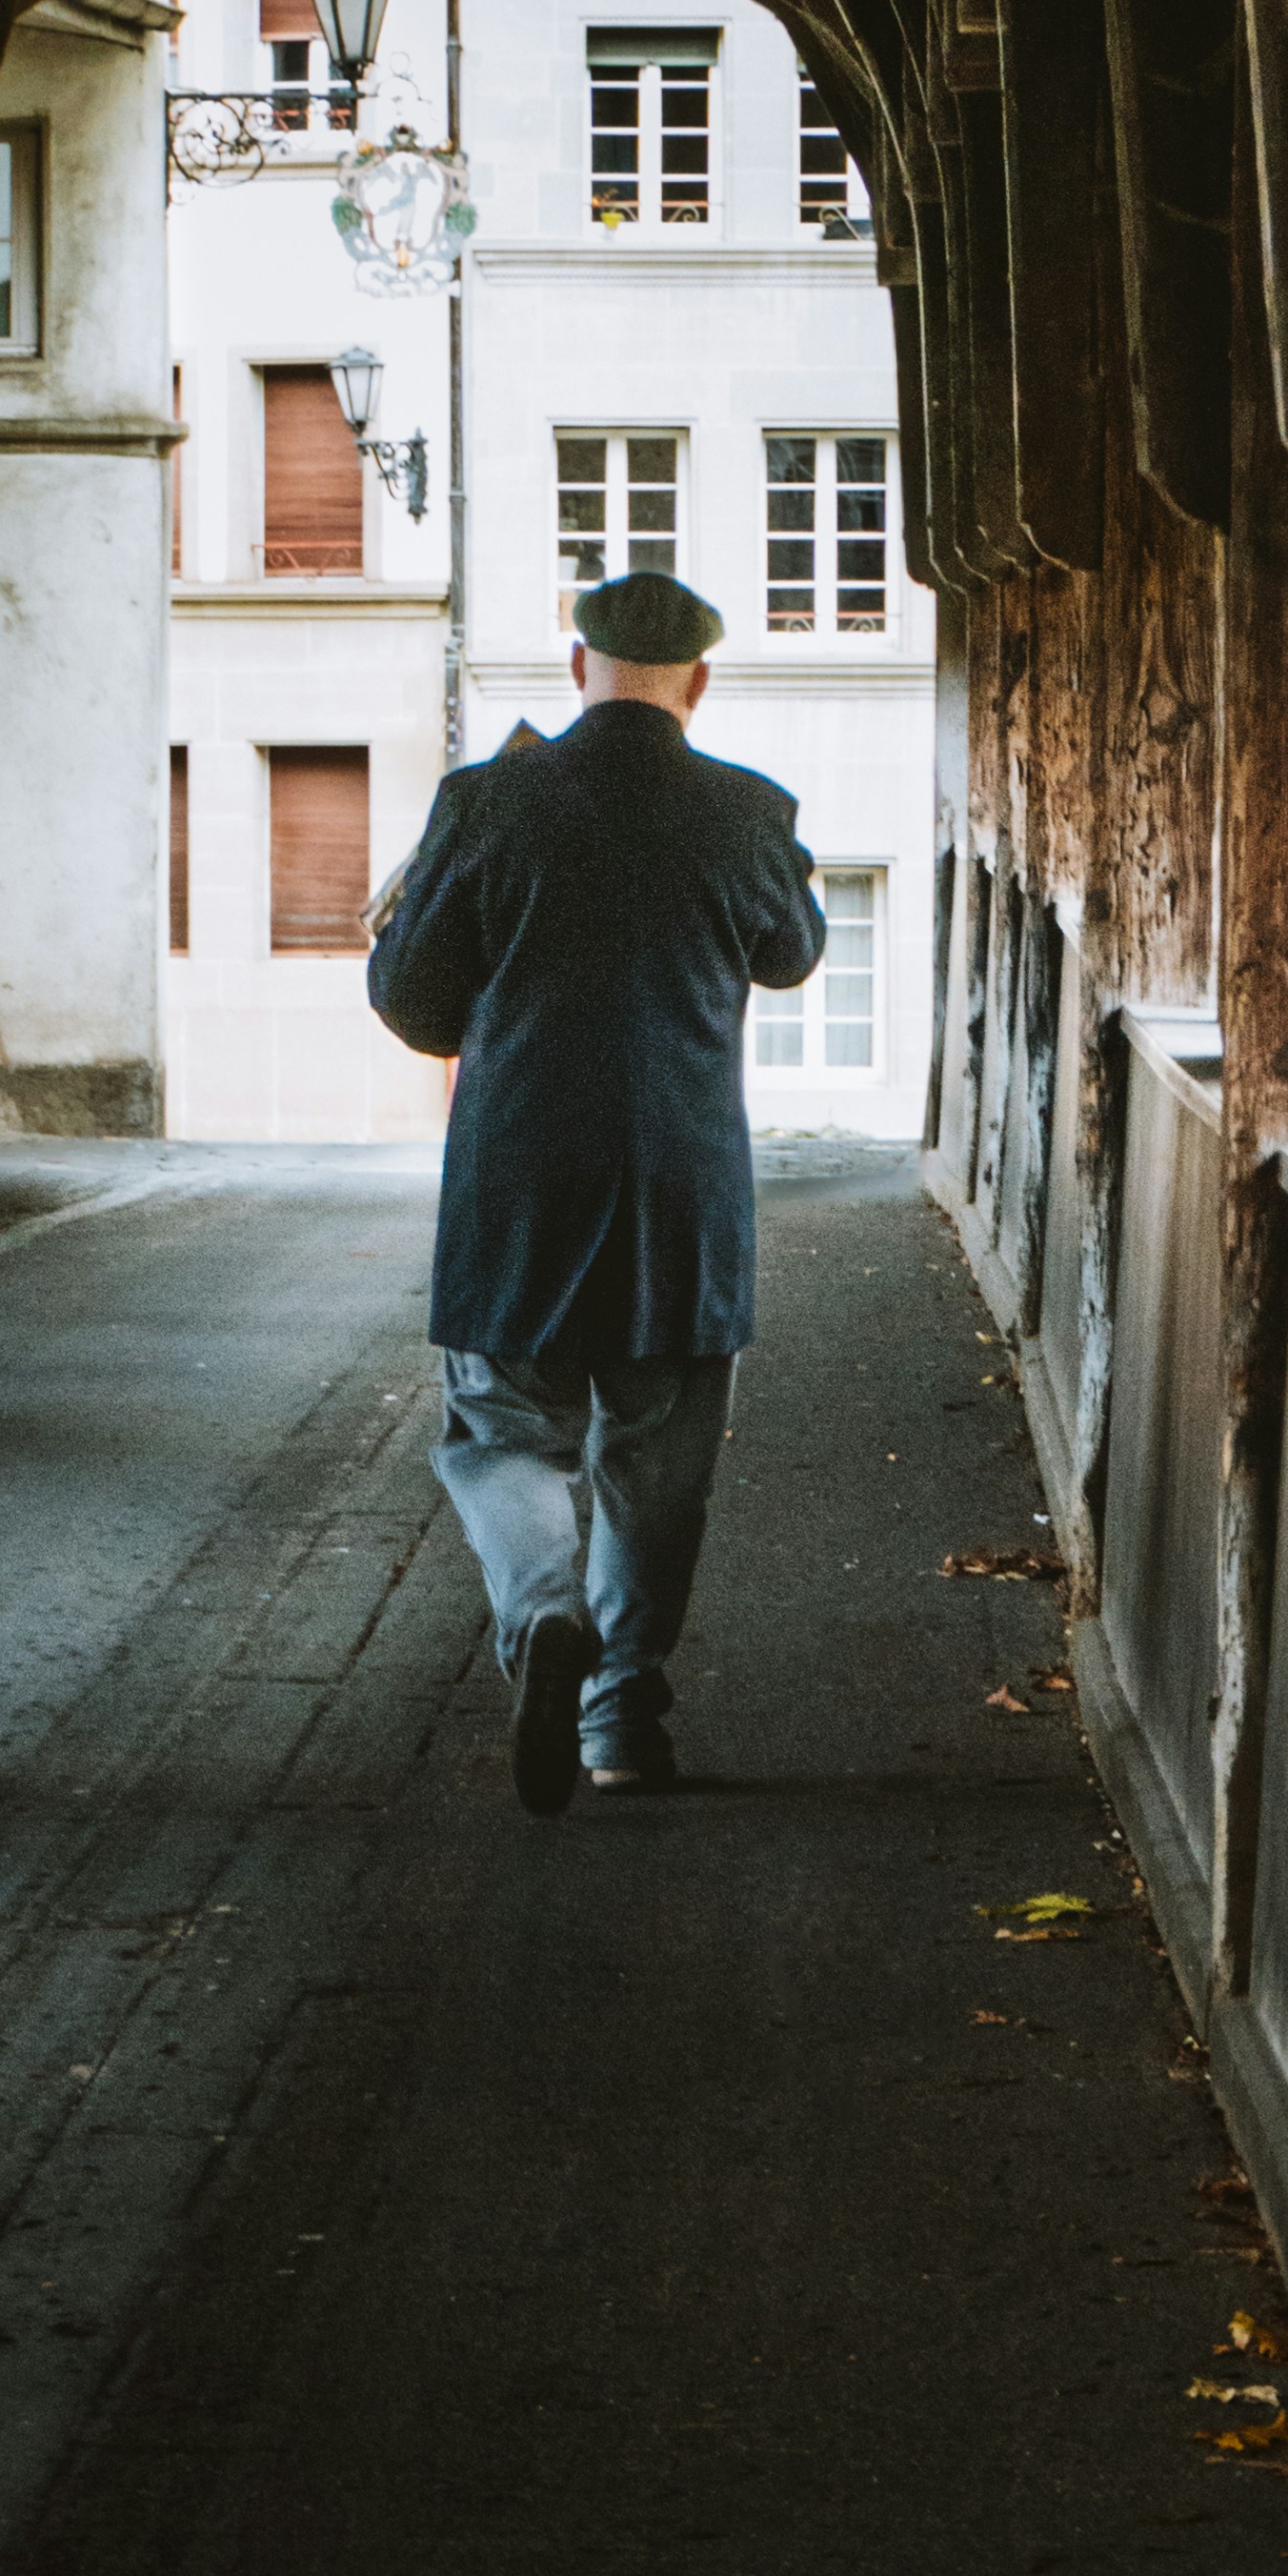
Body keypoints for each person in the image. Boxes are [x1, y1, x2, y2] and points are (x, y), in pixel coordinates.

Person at [364, 569, 825, 1813]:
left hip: (518, 1185)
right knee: (658, 1465)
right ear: (699, 683)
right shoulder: (746, 811)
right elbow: (792, 952)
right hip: (681, 1193)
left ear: (579, 670)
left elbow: (414, 1005)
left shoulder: (486, 804)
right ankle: (621, 1722)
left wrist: (406, 925)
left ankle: (543, 1608)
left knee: (503, 1431)